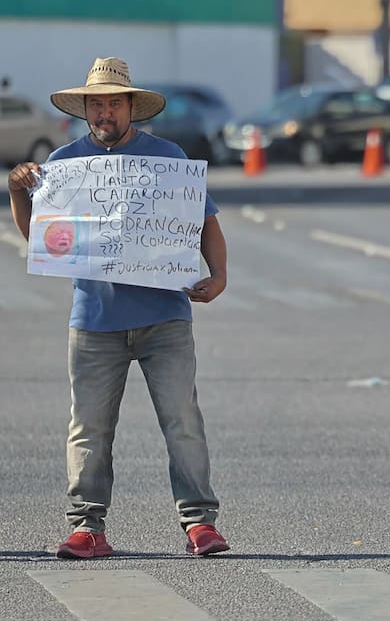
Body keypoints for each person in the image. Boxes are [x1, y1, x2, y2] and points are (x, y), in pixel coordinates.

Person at [6, 57, 230, 559]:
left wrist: (218, 276)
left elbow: (206, 224)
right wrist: (19, 190)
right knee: (88, 427)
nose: (104, 112)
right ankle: (88, 529)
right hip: (94, 322)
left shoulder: (167, 159)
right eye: (96, 104)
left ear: (132, 107)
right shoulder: (64, 165)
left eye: (113, 103)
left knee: (182, 420)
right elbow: (40, 239)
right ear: (85, 109)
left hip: (165, 318)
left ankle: (200, 523)